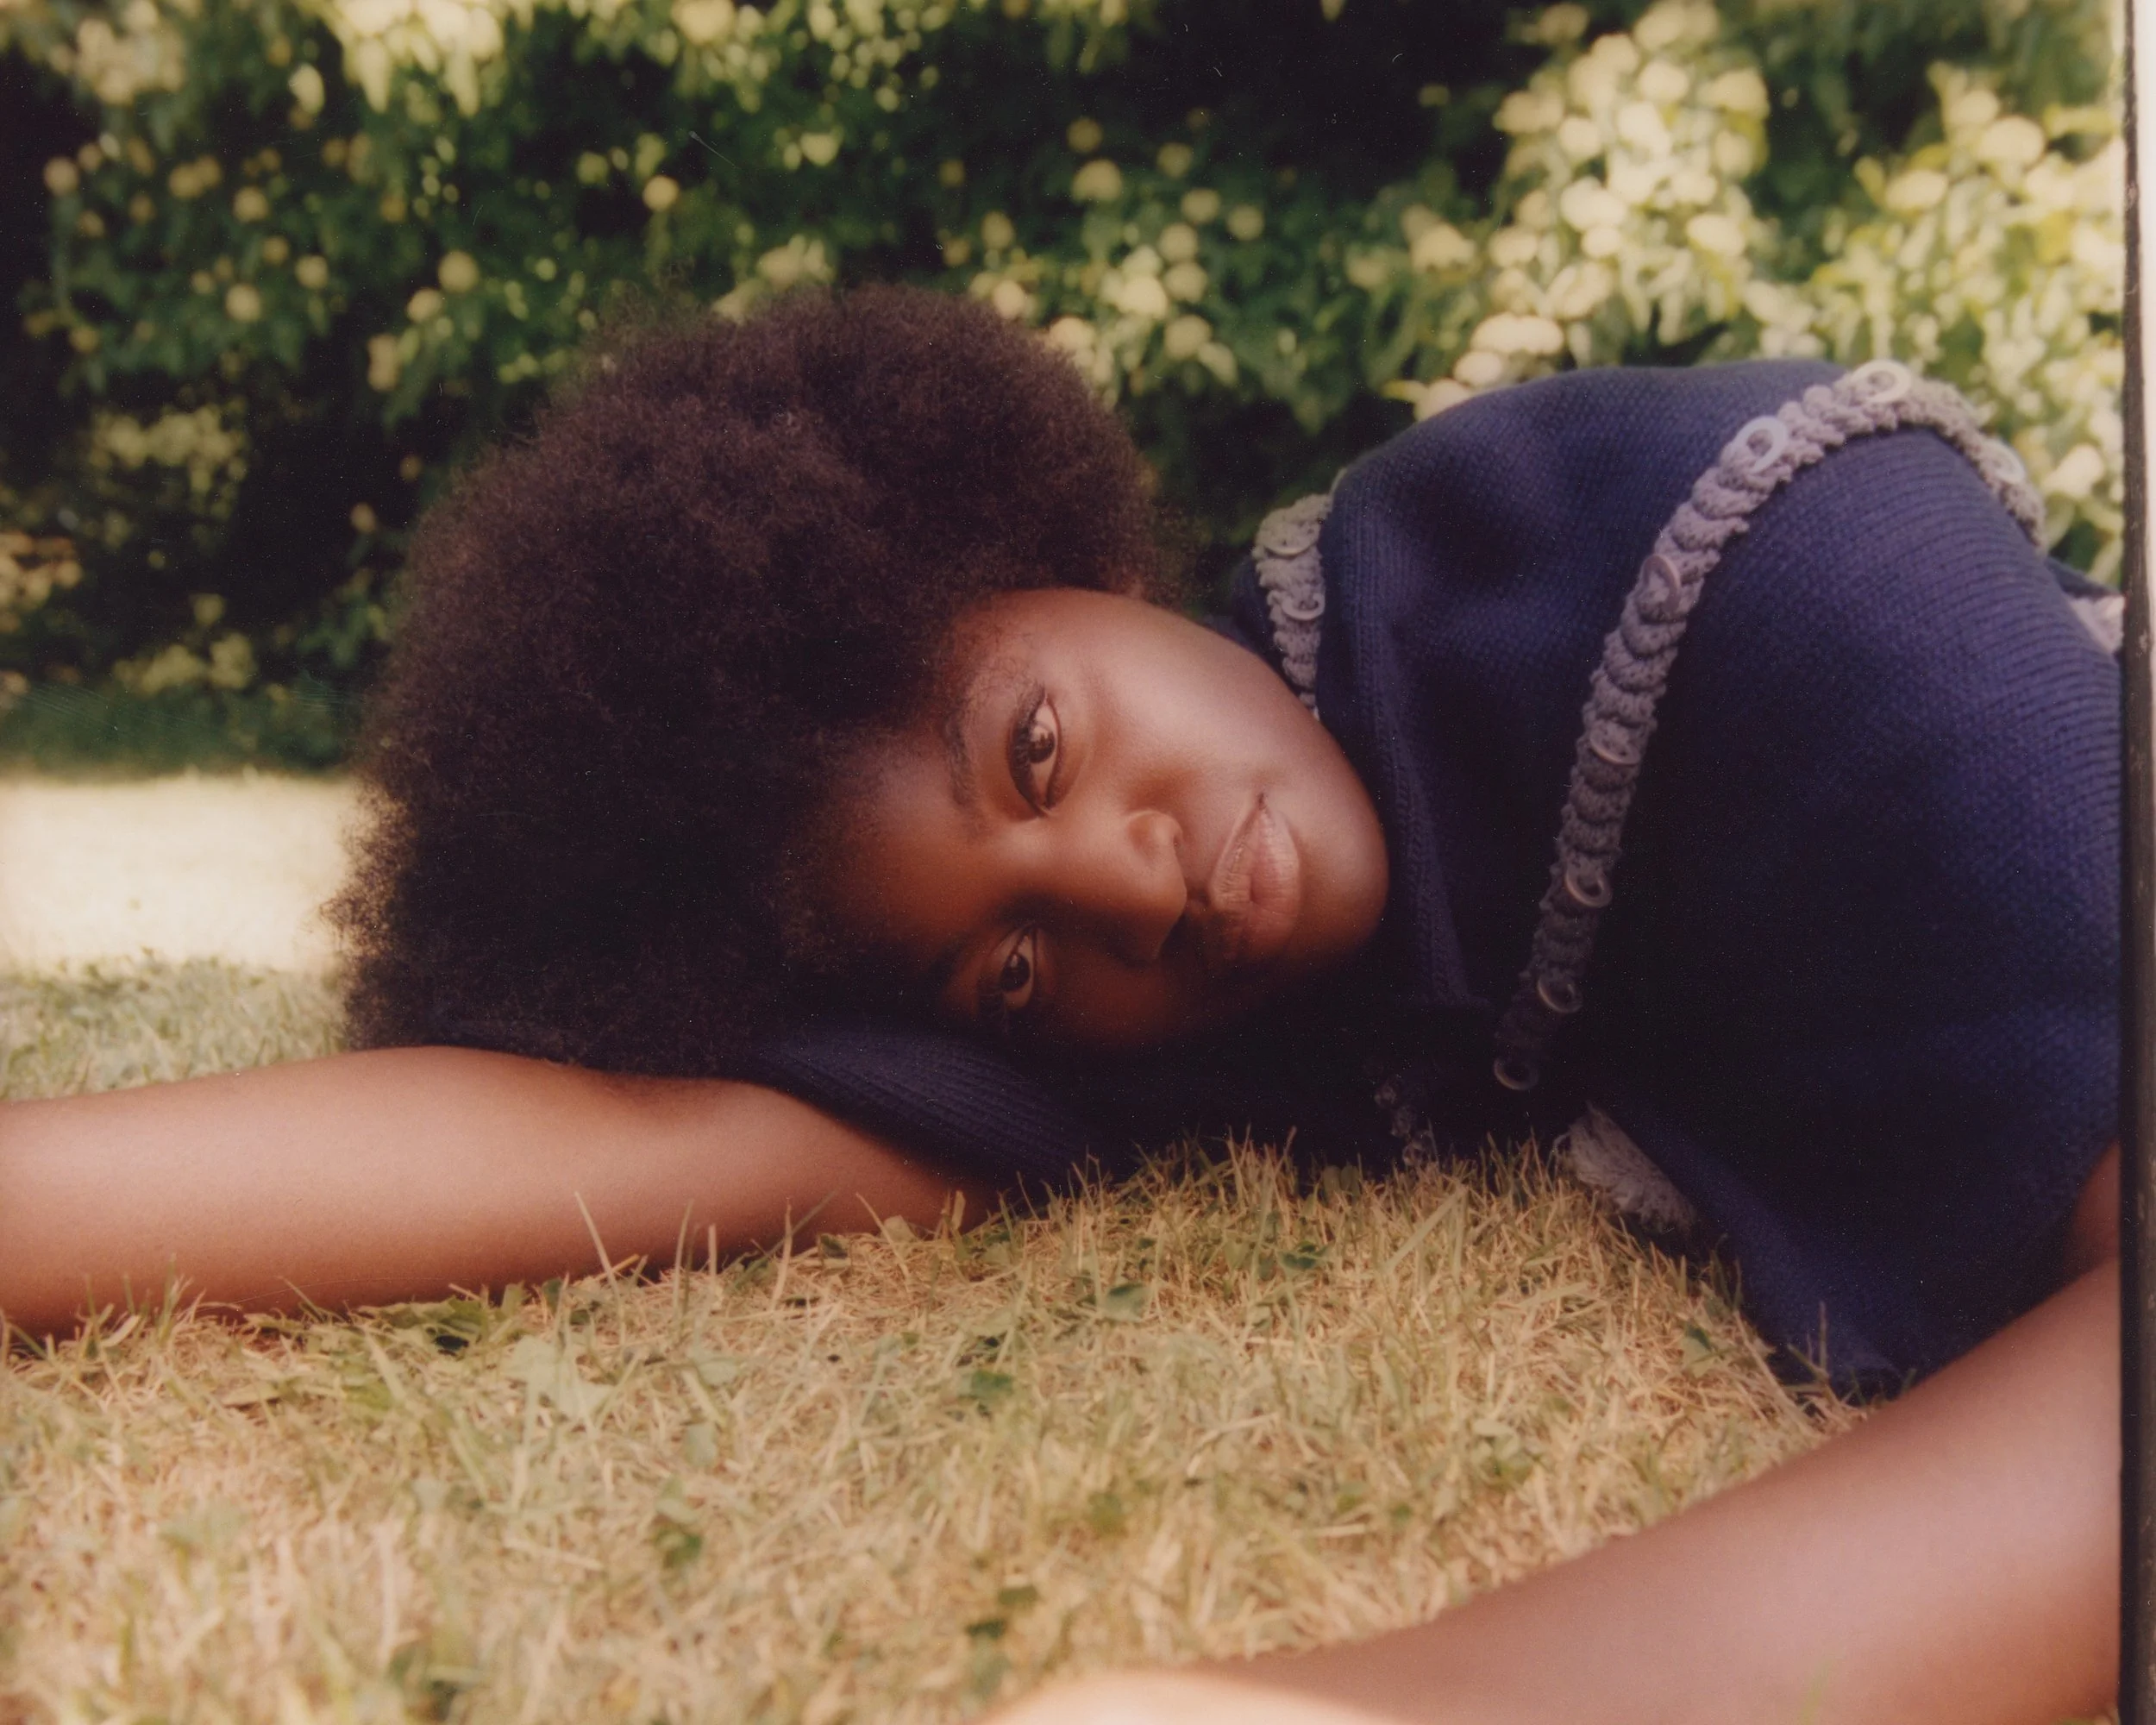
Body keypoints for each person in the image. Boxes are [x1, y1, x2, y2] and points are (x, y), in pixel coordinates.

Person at [0, 287, 2122, 1722]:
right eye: (1003, 961)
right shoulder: (1220, 993)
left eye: (1034, 747)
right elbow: (648, 1137)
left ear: (1068, 567)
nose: (1117, 881)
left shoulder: (1759, 555)